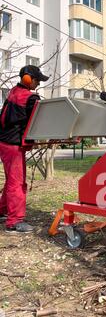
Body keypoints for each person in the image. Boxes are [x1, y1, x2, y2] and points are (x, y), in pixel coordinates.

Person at [0, 65, 49, 233]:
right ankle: (14, 222)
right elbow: (41, 121)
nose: (38, 84)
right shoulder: (29, 98)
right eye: (37, 80)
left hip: (5, 143)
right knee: (17, 183)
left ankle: (3, 211)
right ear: (28, 79)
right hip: (13, 145)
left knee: (10, 181)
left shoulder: (13, 92)